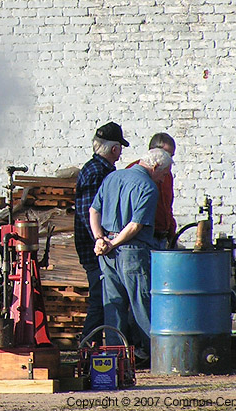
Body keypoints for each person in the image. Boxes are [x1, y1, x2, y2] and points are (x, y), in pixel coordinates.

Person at [89, 147, 172, 366]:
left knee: (113, 304)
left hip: (107, 252)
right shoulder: (148, 187)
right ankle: (153, 356)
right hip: (132, 251)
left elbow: (93, 211)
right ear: (154, 167)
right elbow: (135, 225)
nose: (163, 180)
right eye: (163, 174)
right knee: (141, 303)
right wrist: (113, 243)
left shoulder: (112, 177)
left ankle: (116, 357)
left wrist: (101, 239)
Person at [74, 121, 129, 345]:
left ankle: (93, 345)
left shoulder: (96, 168)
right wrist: (101, 243)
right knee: (100, 298)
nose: (120, 154)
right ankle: (88, 346)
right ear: (114, 149)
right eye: (120, 149)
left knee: (103, 296)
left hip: (96, 247)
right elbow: (91, 212)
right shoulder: (98, 172)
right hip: (95, 249)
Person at [127, 133, 178, 248]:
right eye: (167, 154)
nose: (169, 159)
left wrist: (171, 232)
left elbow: (167, 206)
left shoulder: (167, 175)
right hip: (143, 238)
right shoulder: (134, 172)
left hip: (162, 237)